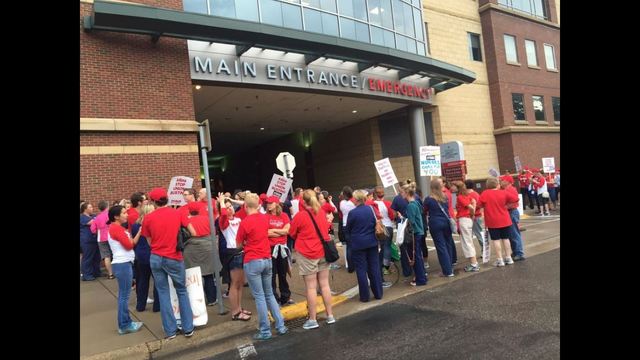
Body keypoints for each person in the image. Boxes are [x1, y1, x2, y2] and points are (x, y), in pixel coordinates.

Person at [142, 187, 194, 339]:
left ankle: (170, 331)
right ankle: (188, 327)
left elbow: (149, 241)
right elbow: (191, 230)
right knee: (182, 291)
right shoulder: (177, 213)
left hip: (156, 257)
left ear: (153, 202)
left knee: (163, 293)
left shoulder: (148, 218)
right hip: (174, 256)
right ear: (167, 199)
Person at [236, 193, 288, 340]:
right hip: (267, 258)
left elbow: (238, 244)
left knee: (259, 296)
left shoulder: (245, 222)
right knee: (269, 294)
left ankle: (265, 330)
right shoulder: (265, 218)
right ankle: (280, 325)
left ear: (245, 206)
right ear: (259, 205)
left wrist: (246, 243)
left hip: (252, 260)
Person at [289, 190, 336, 329]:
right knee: (325, 285)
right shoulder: (321, 212)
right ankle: (330, 315)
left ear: (302, 201)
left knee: (311, 287)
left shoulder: (300, 216)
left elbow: (292, 233)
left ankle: (313, 319)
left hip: (307, 253)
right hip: (323, 252)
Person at [107, 205, 144, 335]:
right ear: (116, 216)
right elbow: (129, 245)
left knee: (124, 295)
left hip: (123, 264)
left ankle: (126, 322)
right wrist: (138, 234)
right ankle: (124, 325)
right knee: (124, 296)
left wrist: (138, 233)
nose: (127, 215)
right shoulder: (116, 228)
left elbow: (130, 243)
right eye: (124, 213)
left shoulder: (116, 228)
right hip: (122, 264)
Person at [346, 190, 384, 301]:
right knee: (374, 268)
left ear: (356, 200)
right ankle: (378, 293)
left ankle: (365, 296)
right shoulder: (370, 209)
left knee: (361, 270)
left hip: (358, 244)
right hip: (372, 242)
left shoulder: (352, 213)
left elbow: (348, 229)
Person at [217, 193, 250, 321]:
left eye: (231, 206)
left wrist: (231, 200)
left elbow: (248, 206)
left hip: (241, 251)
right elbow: (224, 215)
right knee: (234, 284)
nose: (230, 209)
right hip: (233, 253)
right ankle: (235, 312)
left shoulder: (238, 219)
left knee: (240, 284)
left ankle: (239, 308)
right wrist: (221, 203)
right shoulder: (223, 221)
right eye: (227, 207)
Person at [477, 177, 519, 267]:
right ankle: (508, 258)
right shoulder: (503, 192)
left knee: (496, 240)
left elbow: (479, 205)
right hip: (505, 219)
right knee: (506, 239)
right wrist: (507, 206)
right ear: (497, 184)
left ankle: (500, 259)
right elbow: (516, 198)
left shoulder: (485, 193)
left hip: (492, 221)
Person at [185, 202, 218, 306]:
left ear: (189, 210)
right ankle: (212, 299)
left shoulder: (186, 221)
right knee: (208, 275)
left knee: (194, 277)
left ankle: (197, 301)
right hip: (207, 248)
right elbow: (214, 232)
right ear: (199, 210)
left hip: (191, 249)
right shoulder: (207, 219)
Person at [131, 204, 160, 312]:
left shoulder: (135, 225)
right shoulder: (154, 223)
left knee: (142, 280)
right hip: (152, 253)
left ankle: (140, 305)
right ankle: (157, 306)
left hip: (140, 255)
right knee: (157, 280)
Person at [423, 180, 455, 277]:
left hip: (435, 224)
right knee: (448, 244)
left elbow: (424, 210)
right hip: (446, 222)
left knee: (441, 247)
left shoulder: (428, 199)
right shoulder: (445, 197)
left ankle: (447, 271)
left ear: (432, 187)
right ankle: (450, 267)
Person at [266, 196, 293, 306]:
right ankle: (274, 299)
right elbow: (265, 232)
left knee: (283, 274)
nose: (268, 205)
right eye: (267, 203)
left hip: (281, 248)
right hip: (270, 248)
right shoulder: (265, 217)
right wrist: (280, 231)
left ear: (276, 204)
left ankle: (285, 297)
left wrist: (273, 230)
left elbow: (287, 231)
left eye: (270, 203)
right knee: (271, 275)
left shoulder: (284, 215)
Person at [402, 184, 428, 285]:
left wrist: (403, 218)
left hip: (415, 233)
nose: (401, 195)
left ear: (407, 193)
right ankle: (422, 277)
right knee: (418, 255)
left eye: (402, 192)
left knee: (415, 256)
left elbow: (411, 221)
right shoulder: (416, 203)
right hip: (419, 232)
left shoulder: (410, 205)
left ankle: (420, 279)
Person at [452, 181, 479, 272]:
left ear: (458, 187)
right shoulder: (467, 195)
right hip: (467, 219)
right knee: (468, 241)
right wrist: (472, 215)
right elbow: (473, 202)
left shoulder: (460, 197)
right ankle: (474, 263)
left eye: (454, 186)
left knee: (467, 242)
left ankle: (474, 264)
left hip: (464, 220)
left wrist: (472, 213)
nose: (452, 187)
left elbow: (470, 206)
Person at [499, 176, 526, 262]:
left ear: (508, 181)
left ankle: (519, 253)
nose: (501, 181)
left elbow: (514, 202)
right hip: (510, 212)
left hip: (512, 212)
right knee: (511, 233)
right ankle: (516, 252)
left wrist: (504, 206)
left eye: (503, 180)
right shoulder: (505, 189)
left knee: (514, 233)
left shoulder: (510, 189)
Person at [80, 202, 100, 281]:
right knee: (88, 258)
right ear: (85, 209)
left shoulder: (93, 216)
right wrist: (99, 219)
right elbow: (92, 223)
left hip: (95, 239)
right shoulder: (82, 217)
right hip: (87, 240)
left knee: (96, 257)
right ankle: (86, 275)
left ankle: (96, 272)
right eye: (90, 207)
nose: (92, 208)